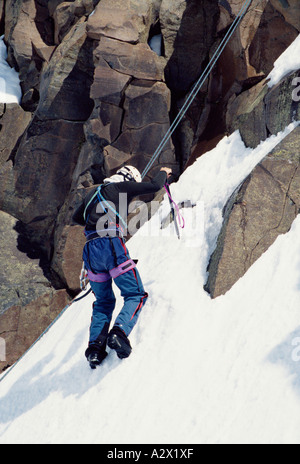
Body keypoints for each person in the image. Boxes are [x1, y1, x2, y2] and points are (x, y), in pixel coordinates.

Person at [73, 165, 172, 368]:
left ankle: (95, 350)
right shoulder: (121, 188)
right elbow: (154, 185)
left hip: (91, 252)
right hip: (111, 246)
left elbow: (76, 217)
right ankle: (118, 333)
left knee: (103, 302)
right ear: (129, 179)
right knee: (135, 294)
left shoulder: (94, 193)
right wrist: (164, 172)